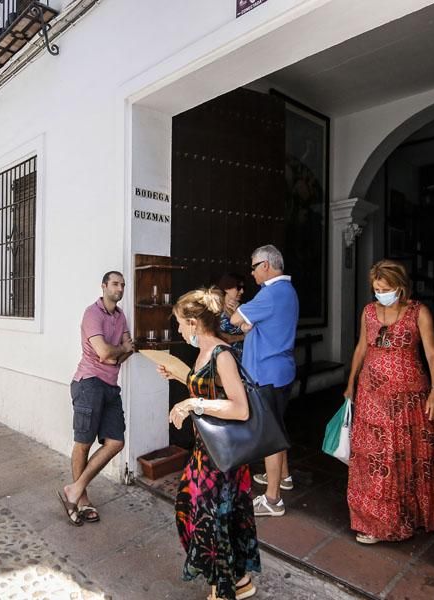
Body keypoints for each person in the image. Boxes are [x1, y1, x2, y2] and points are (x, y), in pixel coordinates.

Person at [344, 259, 434, 544]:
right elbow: (361, 347)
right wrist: (350, 383)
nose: (380, 293)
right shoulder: (369, 312)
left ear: (400, 287)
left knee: (407, 457)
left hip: (409, 399)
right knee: (376, 458)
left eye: (385, 288)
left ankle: (411, 516)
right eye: (376, 288)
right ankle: (375, 522)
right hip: (371, 396)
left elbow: (432, 354)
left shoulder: (419, 312)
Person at [158, 287, 259, 600]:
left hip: (222, 456)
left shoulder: (222, 353)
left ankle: (224, 589)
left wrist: (191, 404)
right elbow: (208, 386)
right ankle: (240, 581)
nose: (177, 328)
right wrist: (179, 377)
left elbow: (240, 408)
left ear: (192, 322)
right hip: (205, 452)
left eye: (178, 322)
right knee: (194, 513)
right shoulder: (203, 352)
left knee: (212, 523)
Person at [58, 271, 134, 526]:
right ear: (103, 286)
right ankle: (82, 499)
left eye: (122, 284)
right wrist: (119, 351)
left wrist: (118, 353)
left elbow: (125, 352)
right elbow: (104, 352)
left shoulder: (120, 316)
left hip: (110, 386)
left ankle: (75, 488)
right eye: (115, 284)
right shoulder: (92, 314)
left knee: (116, 442)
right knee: (84, 442)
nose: (120, 288)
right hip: (89, 383)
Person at [230, 244, 298, 517]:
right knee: (278, 428)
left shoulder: (270, 294)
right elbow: (250, 324)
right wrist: (249, 322)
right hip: (281, 370)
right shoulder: (287, 291)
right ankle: (283, 477)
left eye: (254, 267)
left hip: (267, 373)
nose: (252, 273)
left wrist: (243, 316)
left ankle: (273, 499)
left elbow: (236, 319)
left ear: (266, 266)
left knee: (270, 436)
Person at [215, 272, 246, 353]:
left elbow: (253, 331)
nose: (242, 291)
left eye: (243, 288)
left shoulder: (244, 308)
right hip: (225, 356)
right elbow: (217, 336)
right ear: (226, 288)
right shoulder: (217, 309)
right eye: (238, 288)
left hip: (244, 357)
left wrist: (239, 312)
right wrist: (243, 337)